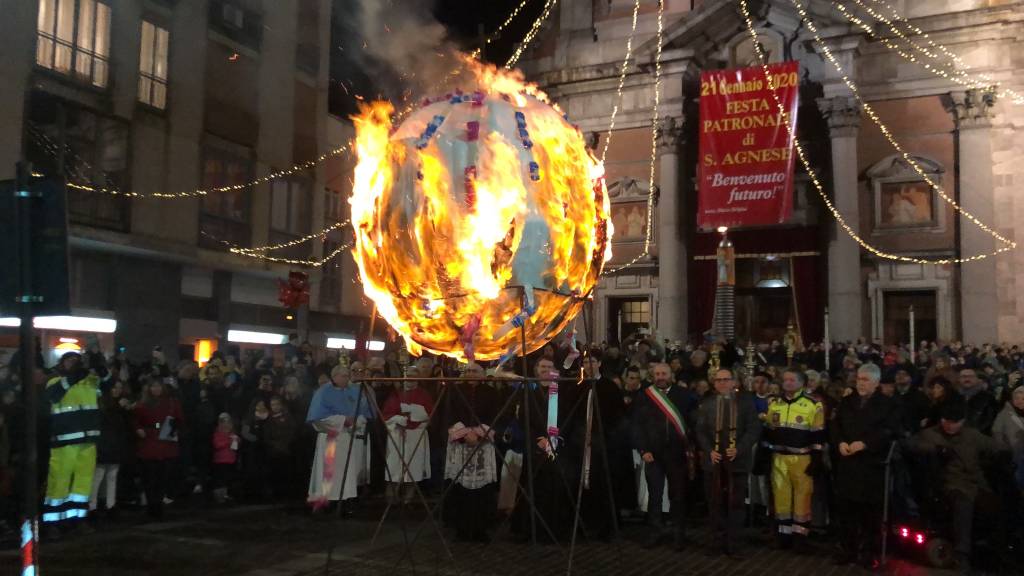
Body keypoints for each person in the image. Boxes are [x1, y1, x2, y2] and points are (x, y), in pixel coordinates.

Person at [907, 401, 1009, 575]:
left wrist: (1003, 456)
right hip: (949, 484)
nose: (950, 425)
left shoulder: (971, 435)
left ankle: (998, 550)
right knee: (963, 503)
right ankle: (962, 554)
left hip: (976, 483)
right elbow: (910, 445)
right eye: (947, 421)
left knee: (998, 504)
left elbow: (998, 447)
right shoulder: (931, 435)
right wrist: (934, 450)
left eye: (955, 422)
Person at [831, 363, 901, 568]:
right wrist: (840, 442)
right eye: (859, 379)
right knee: (847, 511)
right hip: (847, 463)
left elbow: (889, 431)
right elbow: (836, 425)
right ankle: (848, 548)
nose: (861, 383)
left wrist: (866, 444)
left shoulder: (888, 404)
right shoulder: (847, 401)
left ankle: (870, 552)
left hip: (871, 465)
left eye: (866, 380)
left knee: (870, 514)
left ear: (876, 383)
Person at [695, 368, 761, 558]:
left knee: (736, 504)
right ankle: (716, 541)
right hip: (714, 462)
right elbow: (700, 431)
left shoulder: (745, 403)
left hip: (736, 461)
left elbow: (753, 429)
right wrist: (709, 451)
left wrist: (739, 448)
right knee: (714, 503)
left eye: (726, 379)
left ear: (734, 382)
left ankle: (734, 543)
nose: (723, 383)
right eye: (719, 380)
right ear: (714, 384)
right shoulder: (707, 404)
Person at [632, 362, 697, 550]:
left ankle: (678, 534)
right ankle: (655, 532)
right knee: (655, 495)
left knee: (678, 495)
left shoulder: (684, 396)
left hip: (677, 454)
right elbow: (637, 425)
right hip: (653, 454)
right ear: (653, 375)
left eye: (664, 373)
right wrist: (643, 450)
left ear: (671, 375)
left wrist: (690, 445)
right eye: (657, 373)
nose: (661, 376)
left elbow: (693, 421)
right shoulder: (645, 396)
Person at [43, 352, 107, 538]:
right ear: (61, 364)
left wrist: (101, 367)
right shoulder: (55, 381)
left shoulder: (89, 382)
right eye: (69, 360)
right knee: (59, 480)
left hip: (88, 440)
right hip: (64, 440)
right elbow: (53, 397)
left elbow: (108, 384)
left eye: (77, 361)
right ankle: (52, 522)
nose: (74, 363)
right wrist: (76, 376)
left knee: (83, 482)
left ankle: (78, 519)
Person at [764, 369, 825, 550]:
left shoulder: (813, 404)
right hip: (779, 457)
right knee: (781, 497)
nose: (788, 383)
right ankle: (783, 535)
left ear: (801, 383)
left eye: (792, 380)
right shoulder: (775, 403)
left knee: (802, 497)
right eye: (785, 380)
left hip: (802, 458)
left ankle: (800, 537)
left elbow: (819, 434)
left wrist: (817, 458)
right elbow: (769, 429)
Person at [444, 362, 500, 542]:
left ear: (483, 374)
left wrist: (478, 433)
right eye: (467, 370)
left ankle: (480, 529)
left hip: (483, 445)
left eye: (475, 371)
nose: (471, 373)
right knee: (459, 486)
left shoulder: (493, 393)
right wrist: (464, 434)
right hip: (460, 445)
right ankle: (460, 528)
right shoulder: (454, 391)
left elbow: (498, 416)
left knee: (483, 489)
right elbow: (448, 414)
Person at [306, 365, 372, 514]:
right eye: (343, 376)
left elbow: (363, 413)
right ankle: (326, 501)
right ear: (334, 376)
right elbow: (318, 419)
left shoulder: (354, 391)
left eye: (347, 376)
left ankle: (346, 500)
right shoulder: (323, 392)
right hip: (331, 437)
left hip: (348, 437)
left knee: (348, 471)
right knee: (329, 471)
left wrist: (356, 421)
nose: (346, 378)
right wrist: (343, 420)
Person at [133, 376, 185, 519]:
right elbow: (135, 420)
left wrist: (173, 429)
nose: (156, 389)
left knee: (161, 478)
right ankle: (152, 506)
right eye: (153, 386)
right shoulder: (143, 404)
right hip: (149, 443)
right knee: (150, 478)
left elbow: (179, 420)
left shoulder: (171, 403)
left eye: (158, 386)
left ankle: (157, 507)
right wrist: (138, 429)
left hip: (164, 443)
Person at [381, 376, 435, 504]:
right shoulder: (395, 394)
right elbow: (386, 414)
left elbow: (430, 415)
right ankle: (391, 499)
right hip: (397, 434)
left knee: (413, 469)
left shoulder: (424, 395)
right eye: (407, 378)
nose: (410, 381)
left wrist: (414, 412)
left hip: (416, 435)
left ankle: (408, 500)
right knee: (394, 467)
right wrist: (397, 419)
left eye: (413, 378)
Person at [90, 379, 132, 518]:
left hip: (115, 444)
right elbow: (106, 422)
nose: (117, 391)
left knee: (111, 476)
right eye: (115, 388)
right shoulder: (103, 405)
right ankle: (93, 506)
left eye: (119, 388)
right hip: (105, 444)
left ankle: (110, 504)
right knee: (99, 476)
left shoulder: (117, 406)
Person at [992, 386, 1024, 492]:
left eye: (1023, 399)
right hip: (1013, 459)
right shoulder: (1004, 415)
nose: (1020, 401)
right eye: (1017, 398)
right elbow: (997, 434)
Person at [264, 395, 297, 499]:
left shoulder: (288, 417)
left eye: (277, 404)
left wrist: (284, 443)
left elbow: (292, 431)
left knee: (285, 473)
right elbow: (266, 435)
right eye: (273, 404)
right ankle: (274, 493)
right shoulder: (268, 418)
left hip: (285, 450)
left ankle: (285, 493)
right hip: (272, 451)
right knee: (273, 473)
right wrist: (273, 444)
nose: (275, 406)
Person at [957, 368, 999, 435]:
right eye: (964, 376)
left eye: (971, 376)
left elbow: (992, 421)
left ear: (977, 379)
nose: (967, 379)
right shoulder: (953, 396)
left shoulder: (988, 398)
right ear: (959, 379)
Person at [210, 413, 239, 504]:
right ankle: (219, 497)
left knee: (228, 479)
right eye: (224, 423)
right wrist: (228, 441)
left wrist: (237, 440)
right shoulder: (217, 434)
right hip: (220, 461)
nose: (226, 425)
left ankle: (226, 495)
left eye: (228, 423)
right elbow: (217, 445)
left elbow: (236, 447)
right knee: (220, 480)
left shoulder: (232, 434)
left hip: (230, 460)